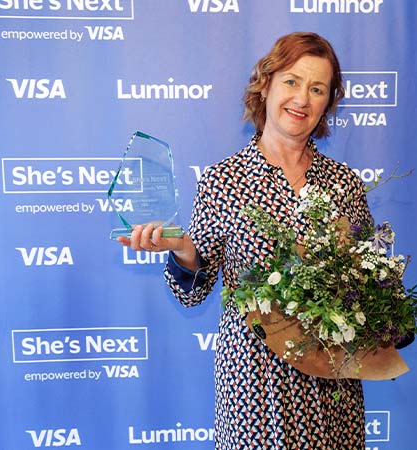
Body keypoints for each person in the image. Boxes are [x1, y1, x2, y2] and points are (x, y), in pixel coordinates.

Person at [118, 32, 373, 449]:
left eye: (317, 89)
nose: (302, 99)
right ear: (266, 84)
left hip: (332, 383)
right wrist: (183, 252)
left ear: (328, 103)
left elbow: (365, 278)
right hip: (256, 388)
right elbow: (192, 293)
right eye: (291, 81)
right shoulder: (224, 180)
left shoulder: (344, 184)